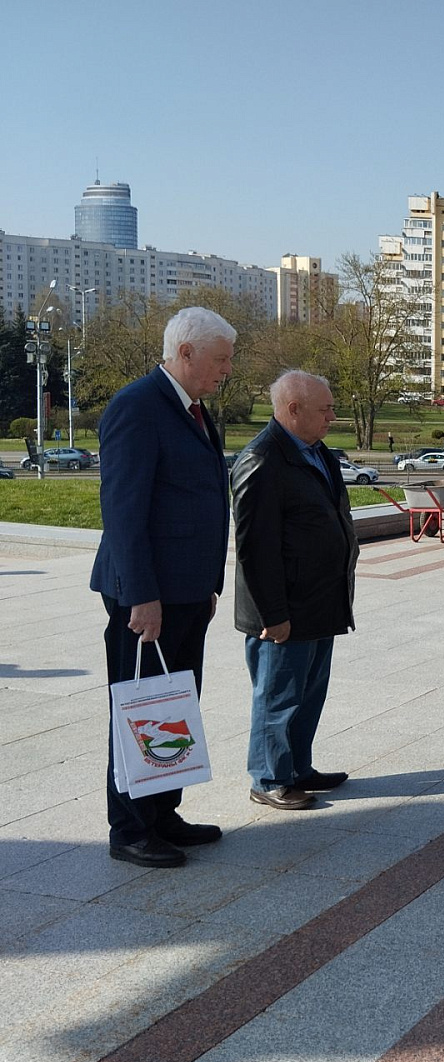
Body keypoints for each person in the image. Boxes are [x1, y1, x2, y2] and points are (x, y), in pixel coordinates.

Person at [90, 307, 235, 868]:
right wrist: (141, 596)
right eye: (219, 360)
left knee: (174, 703)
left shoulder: (194, 409)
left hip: (187, 592)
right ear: (186, 354)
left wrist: (206, 585)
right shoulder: (137, 407)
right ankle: (128, 827)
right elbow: (123, 513)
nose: (226, 370)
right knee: (139, 706)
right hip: (146, 596)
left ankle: (162, 812)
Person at [230, 371, 358, 811]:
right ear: (293, 410)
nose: (333, 416)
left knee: (307, 694)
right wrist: (272, 614)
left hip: (320, 602)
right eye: (325, 409)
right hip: (284, 610)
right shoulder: (263, 459)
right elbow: (255, 547)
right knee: (278, 696)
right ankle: (268, 778)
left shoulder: (316, 452)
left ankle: (297, 768)